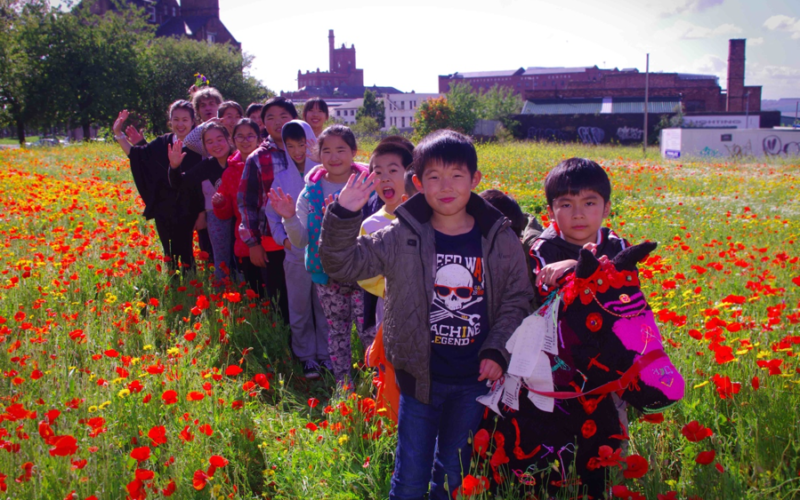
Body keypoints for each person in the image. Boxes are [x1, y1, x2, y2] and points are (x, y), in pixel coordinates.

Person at [317, 129, 533, 500]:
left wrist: (498, 350)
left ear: (475, 180)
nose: (445, 186)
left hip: (473, 380)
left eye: (456, 176)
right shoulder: (401, 235)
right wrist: (343, 213)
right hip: (418, 377)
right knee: (410, 476)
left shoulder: (499, 238)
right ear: (416, 182)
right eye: (433, 177)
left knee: (452, 473)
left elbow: (517, 299)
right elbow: (342, 264)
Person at [482, 157, 632, 498]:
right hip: (557, 370)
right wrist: (578, 266)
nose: (578, 214)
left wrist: (579, 263)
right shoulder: (542, 249)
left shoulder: (617, 246)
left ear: (606, 208)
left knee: (610, 436)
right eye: (566, 204)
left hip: (606, 365)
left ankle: (607, 485)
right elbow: (557, 293)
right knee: (561, 441)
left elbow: (623, 284)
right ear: (551, 211)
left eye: (589, 203)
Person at [268, 125, 376, 385]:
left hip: (365, 273)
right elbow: (301, 239)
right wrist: (289, 217)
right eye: (326, 150)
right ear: (317, 153)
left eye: (341, 149)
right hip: (327, 274)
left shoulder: (369, 186)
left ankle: (375, 382)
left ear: (353, 152)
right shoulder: (311, 191)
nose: (334, 156)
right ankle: (343, 385)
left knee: (368, 331)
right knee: (336, 330)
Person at [263, 120, 330, 380]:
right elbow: (271, 215)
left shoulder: (325, 173)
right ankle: (306, 357)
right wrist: (284, 241)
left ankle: (327, 356)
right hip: (294, 256)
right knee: (299, 307)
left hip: (324, 256)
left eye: (302, 144)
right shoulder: (281, 178)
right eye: (290, 146)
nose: (298, 151)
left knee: (325, 307)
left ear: (311, 141)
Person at [359, 137, 416, 423]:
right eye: (377, 172)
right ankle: (393, 426)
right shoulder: (371, 225)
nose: (384, 178)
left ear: (412, 174)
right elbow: (366, 275)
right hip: (391, 311)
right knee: (392, 369)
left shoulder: (432, 216)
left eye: (393, 170)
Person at [112, 101, 202, 269]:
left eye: (185, 119)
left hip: (191, 208)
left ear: (192, 121)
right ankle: (175, 287)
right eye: (176, 119)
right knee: (170, 255)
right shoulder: (163, 142)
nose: (180, 124)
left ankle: (193, 288)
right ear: (170, 121)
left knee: (188, 256)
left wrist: (202, 212)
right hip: (165, 207)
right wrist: (118, 133)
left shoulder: (200, 146)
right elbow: (137, 155)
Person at [237, 96, 296, 322]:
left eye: (284, 116)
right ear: (263, 124)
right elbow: (247, 203)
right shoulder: (258, 157)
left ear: (294, 119)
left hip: (306, 239)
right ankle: (285, 350)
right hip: (272, 239)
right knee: (279, 298)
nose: (277, 122)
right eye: (270, 117)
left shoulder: (308, 152)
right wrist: (253, 243)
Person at [169, 122, 235, 285]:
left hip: (242, 216)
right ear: (204, 146)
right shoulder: (208, 165)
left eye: (220, 139)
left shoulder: (239, 158)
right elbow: (180, 182)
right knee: (221, 258)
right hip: (219, 215)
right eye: (209, 142)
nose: (216, 145)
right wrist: (174, 166)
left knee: (241, 258)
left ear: (229, 139)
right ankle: (224, 292)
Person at [213, 119, 262, 284]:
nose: (245, 140)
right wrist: (220, 204)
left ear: (259, 139)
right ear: (233, 141)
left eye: (250, 136)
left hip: (269, 236)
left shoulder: (267, 164)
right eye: (240, 136)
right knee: (254, 290)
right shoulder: (229, 172)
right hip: (244, 238)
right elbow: (226, 214)